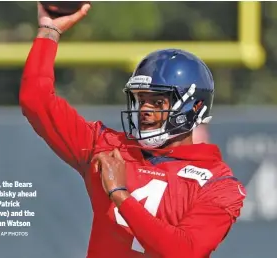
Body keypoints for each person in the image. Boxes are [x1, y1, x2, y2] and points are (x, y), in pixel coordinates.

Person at [19, 3, 246, 258]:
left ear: (194, 107)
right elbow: (35, 100)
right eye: (140, 99)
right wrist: (49, 32)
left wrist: (121, 195)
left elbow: (184, 251)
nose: (144, 109)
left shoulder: (219, 184)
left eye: (158, 101)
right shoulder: (108, 149)